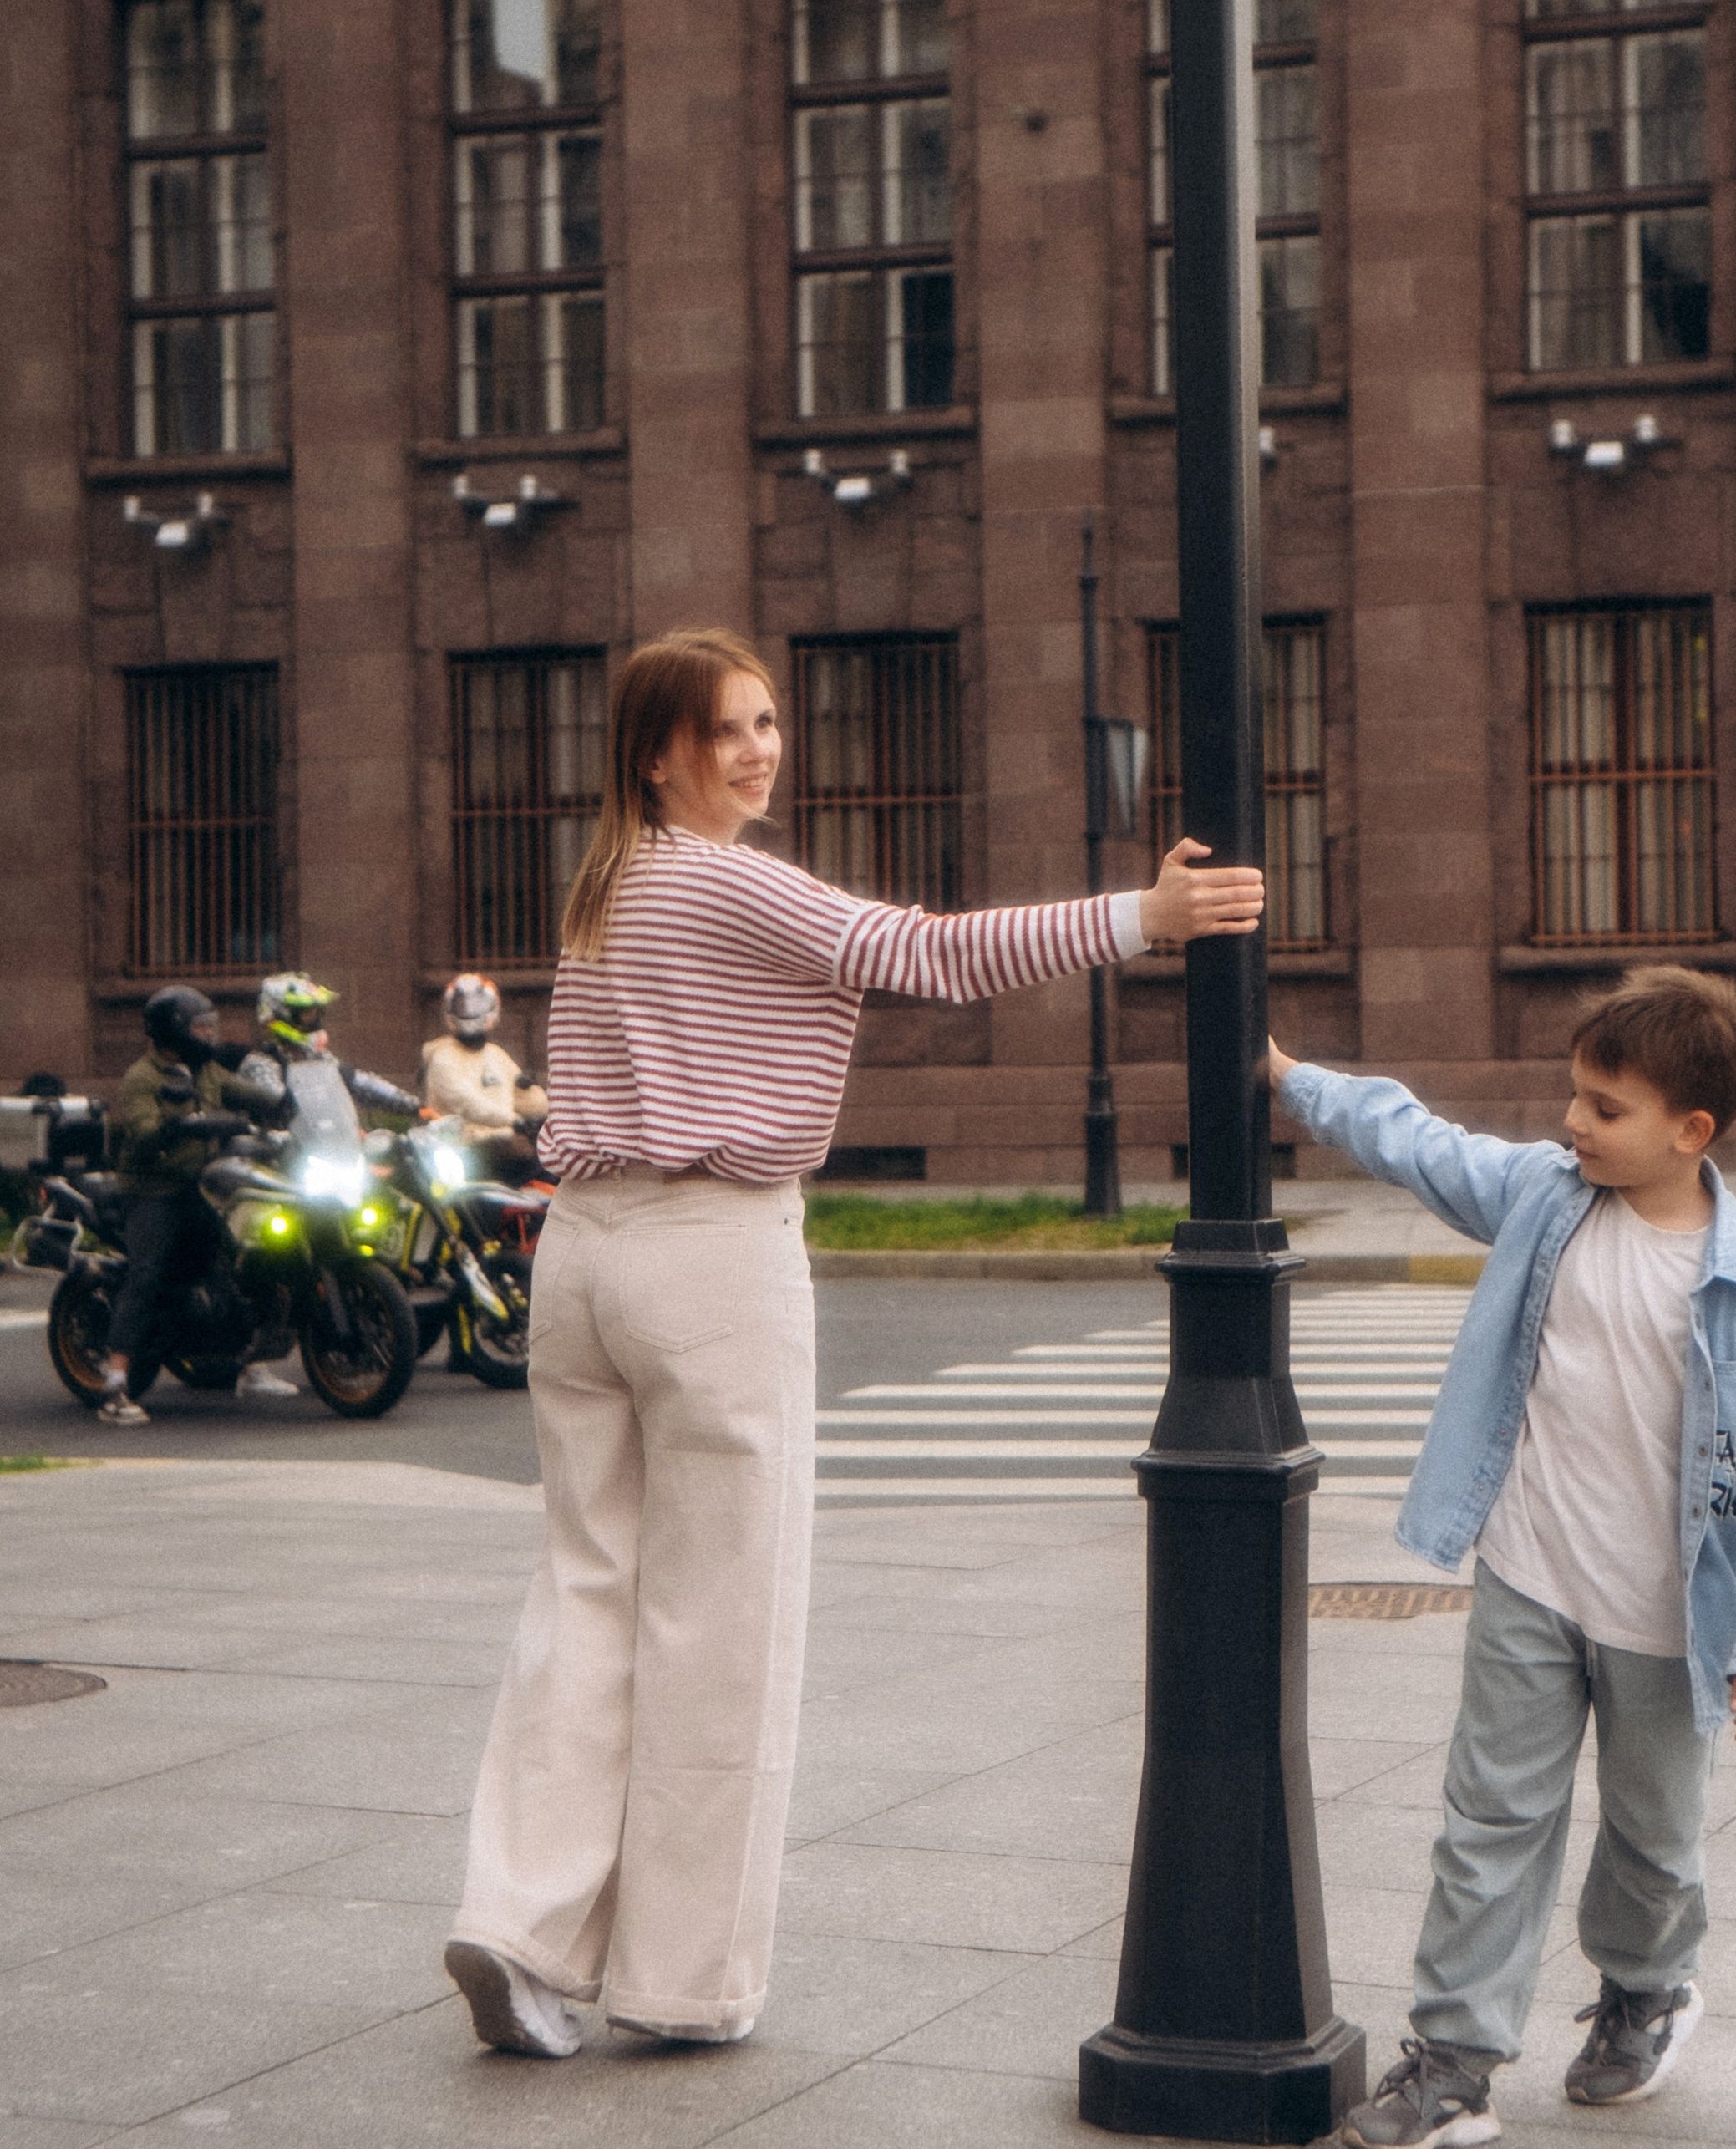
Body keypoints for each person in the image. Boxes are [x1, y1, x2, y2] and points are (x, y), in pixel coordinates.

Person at [444, 625, 1264, 2061]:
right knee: (721, 1624)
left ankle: (516, 1924)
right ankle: (679, 1980)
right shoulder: (725, 879)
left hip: (582, 1252)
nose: (763, 751)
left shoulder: (604, 889)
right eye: (730, 731)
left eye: (768, 723)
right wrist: (1142, 918)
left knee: (584, 1595)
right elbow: (923, 955)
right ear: (660, 755)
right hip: (711, 1255)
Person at [1268, 967, 1736, 2149]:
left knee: (1652, 1840)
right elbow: (1419, 1143)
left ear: (1691, 1132)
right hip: (1531, 1574)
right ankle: (1456, 2062)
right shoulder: (1545, 1198)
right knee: (1490, 1819)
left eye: (1605, 1107)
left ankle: (1649, 1987)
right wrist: (1291, 1081)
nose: (1573, 1124)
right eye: (1574, 1097)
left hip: (1667, 1618)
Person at [99, 986, 291, 1426]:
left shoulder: (207, 1072)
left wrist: (281, 1100)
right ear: (173, 1031)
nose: (209, 1035)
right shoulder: (143, 1077)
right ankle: (115, 1384)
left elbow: (246, 1092)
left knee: (243, 1253)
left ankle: (249, 1363)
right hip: (154, 1188)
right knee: (146, 1274)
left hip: (205, 1184)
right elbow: (142, 1129)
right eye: (201, 1028)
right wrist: (178, 1125)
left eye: (211, 1026)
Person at [243, 973, 421, 1127]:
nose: (314, 1020)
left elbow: (359, 1083)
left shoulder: (317, 1058)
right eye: (306, 1013)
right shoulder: (261, 1063)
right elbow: (282, 1104)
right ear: (280, 1015)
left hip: (325, 1152)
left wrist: (415, 1106)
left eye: (316, 1013)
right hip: (277, 1154)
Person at [419, 974, 548, 1181]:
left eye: (478, 1004)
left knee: (553, 1167)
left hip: (504, 1146)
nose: (470, 1012)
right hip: (463, 1152)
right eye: (462, 1005)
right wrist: (514, 1121)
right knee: (537, 1167)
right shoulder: (442, 1057)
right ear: (449, 1009)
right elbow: (468, 1104)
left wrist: (542, 1104)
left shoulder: (495, 1054)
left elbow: (528, 1101)